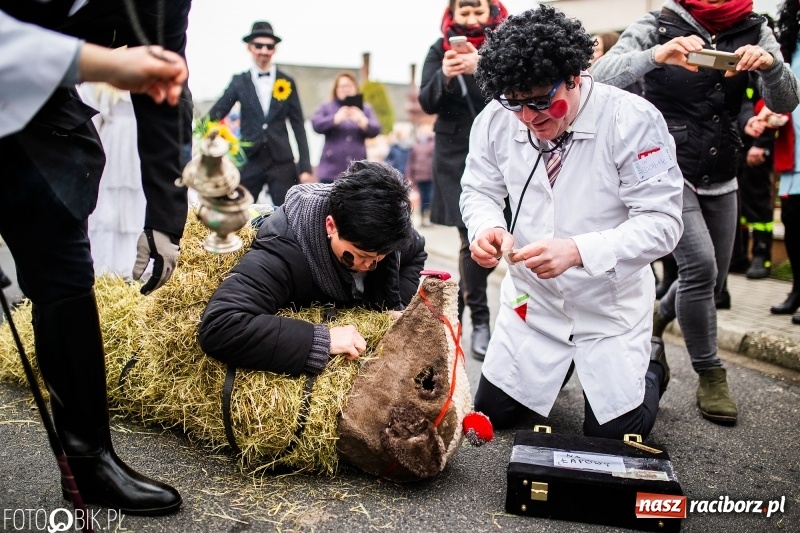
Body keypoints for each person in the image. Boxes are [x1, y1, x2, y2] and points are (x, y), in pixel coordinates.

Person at [0, 1, 190, 515]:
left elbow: (165, 88)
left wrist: (165, 219)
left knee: (65, 268)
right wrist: (104, 63)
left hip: (44, 118)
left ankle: (89, 464)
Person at [460, 6, 684, 439]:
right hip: (534, 303)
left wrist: (580, 251)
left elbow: (662, 222)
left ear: (575, 76)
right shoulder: (493, 120)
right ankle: (557, 365)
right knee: (491, 412)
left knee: (613, 435)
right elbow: (479, 189)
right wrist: (486, 227)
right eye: (515, 103)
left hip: (608, 306)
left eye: (541, 101)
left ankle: (651, 364)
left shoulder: (632, 120)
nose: (528, 118)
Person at [592, 0, 800, 425]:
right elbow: (600, 77)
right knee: (701, 269)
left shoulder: (754, 27)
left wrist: (770, 66)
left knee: (712, 279)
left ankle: (656, 315)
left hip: (723, 169)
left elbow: (786, 102)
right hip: (665, 168)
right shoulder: (658, 22)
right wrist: (656, 55)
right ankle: (710, 372)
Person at [199, 161, 427, 375]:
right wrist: (322, 340)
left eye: (380, 258)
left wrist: (392, 307)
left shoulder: (389, 232)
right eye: (361, 256)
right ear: (331, 226)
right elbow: (221, 325)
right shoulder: (283, 250)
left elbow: (416, 252)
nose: (370, 266)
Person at [419, 0, 508, 361]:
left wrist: (480, 66)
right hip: (455, 152)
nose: (471, 19)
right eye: (464, 12)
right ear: (452, 15)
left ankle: (465, 314)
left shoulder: (506, 42)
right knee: (471, 234)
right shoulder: (437, 49)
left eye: (477, 11)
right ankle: (480, 321)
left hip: (503, 146)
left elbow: (517, 88)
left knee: (506, 232)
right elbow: (427, 101)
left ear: (492, 11)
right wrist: (445, 75)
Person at [207, 21, 313, 205]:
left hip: (281, 160)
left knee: (286, 211)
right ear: (250, 48)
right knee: (240, 211)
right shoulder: (239, 81)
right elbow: (216, 113)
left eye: (269, 46)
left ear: (274, 50)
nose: (264, 51)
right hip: (249, 159)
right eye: (259, 45)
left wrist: (305, 166)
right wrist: (201, 134)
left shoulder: (287, 81)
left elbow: (298, 126)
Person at [77, 83, 147, 277]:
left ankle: (137, 261)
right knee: (110, 202)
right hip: (113, 146)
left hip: (140, 143)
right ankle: (111, 265)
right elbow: (91, 119)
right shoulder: (99, 83)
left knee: (137, 198)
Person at [770, 0, 800, 323]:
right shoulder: (789, 45)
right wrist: (767, 114)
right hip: (794, 149)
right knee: (792, 222)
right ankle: (797, 289)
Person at [312, 72, 381, 183]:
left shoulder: (365, 108)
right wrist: (335, 119)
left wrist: (362, 121)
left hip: (357, 172)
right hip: (331, 171)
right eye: (342, 86)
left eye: (349, 86)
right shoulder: (327, 107)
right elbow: (316, 125)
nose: (346, 89)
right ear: (336, 89)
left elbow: (376, 129)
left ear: (355, 88)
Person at [406, 120, 436, 226]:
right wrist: (409, 175)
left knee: (430, 196)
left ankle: (429, 216)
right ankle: (423, 216)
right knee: (423, 197)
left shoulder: (433, 142)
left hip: (430, 175)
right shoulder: (415, 143)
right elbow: (411, 160)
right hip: (419, 175)